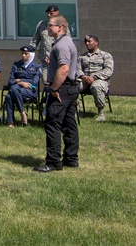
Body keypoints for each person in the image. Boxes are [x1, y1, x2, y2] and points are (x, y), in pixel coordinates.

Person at [35, 15, 79, 172]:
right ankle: (71, 159)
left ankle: (53, 162)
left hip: (62, 89)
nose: (48, 28)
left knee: (53, 124)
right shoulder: (65, 43)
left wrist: (54, 89)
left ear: (60, 27)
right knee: (68, 124)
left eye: (51, 25)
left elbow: (64, 69)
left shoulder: (62, 45)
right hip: (70, 88)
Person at [3, 45, 41, 127]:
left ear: (31, 55)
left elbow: (34, 83)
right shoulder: (16, 65)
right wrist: (21, 83)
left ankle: (13, 119)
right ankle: (20, 115)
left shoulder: (37, 66)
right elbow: (10, 81)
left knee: (11, 93)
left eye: (26, 54)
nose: (23, 55)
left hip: (30, 91)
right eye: (22, 53)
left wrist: (19, 80)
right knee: (10, 95)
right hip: (18, 88)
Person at [78, 34, 113, 122]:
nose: (87, 43)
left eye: (89, 41)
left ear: (96, 43)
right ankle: (77, 110)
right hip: (85, 80)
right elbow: (77, 69)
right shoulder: (82, 57)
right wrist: (83, 76)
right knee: (73, 85)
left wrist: (94, 77)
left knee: (96, 86)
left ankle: (101, 112)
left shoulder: (105, 55)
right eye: (86, 42)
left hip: (100, 80)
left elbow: (108, 70)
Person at [30, 5, 60, 83]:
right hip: (45, 61)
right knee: (46, 80)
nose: (49, 15)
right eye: (48, 13)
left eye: (51, 13)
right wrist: (28, 51)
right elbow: (35, 40)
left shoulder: (62, 26)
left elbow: (67, 43)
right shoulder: (42, 24)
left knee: (57, 81)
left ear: (57, 13)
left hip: (58, 60)